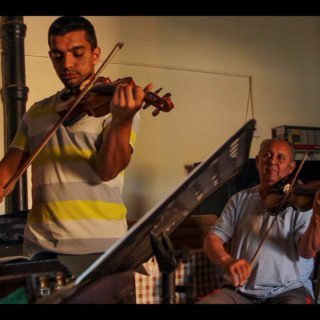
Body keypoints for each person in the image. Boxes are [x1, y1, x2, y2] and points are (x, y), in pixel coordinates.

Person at [0, 16, 153, 257]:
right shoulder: (37, 112)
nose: (67, 64)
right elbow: (6, 175)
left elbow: (107, 171)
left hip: (101, 248)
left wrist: (122, 119)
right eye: (58, 56)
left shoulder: (116, 108)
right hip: (41, 248)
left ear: (95, 54)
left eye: (77, 53)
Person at [198, 138, 320, 304]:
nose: (272, 161)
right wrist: (227, 261)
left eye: (281, 157)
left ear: (291, 168)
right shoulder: (239, 199)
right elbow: (212, 240)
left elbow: (307, 252)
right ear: (257, 161)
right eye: (267, 155)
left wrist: (317, 218)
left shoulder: (302, 204)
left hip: (288, 291)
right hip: (240, 291)